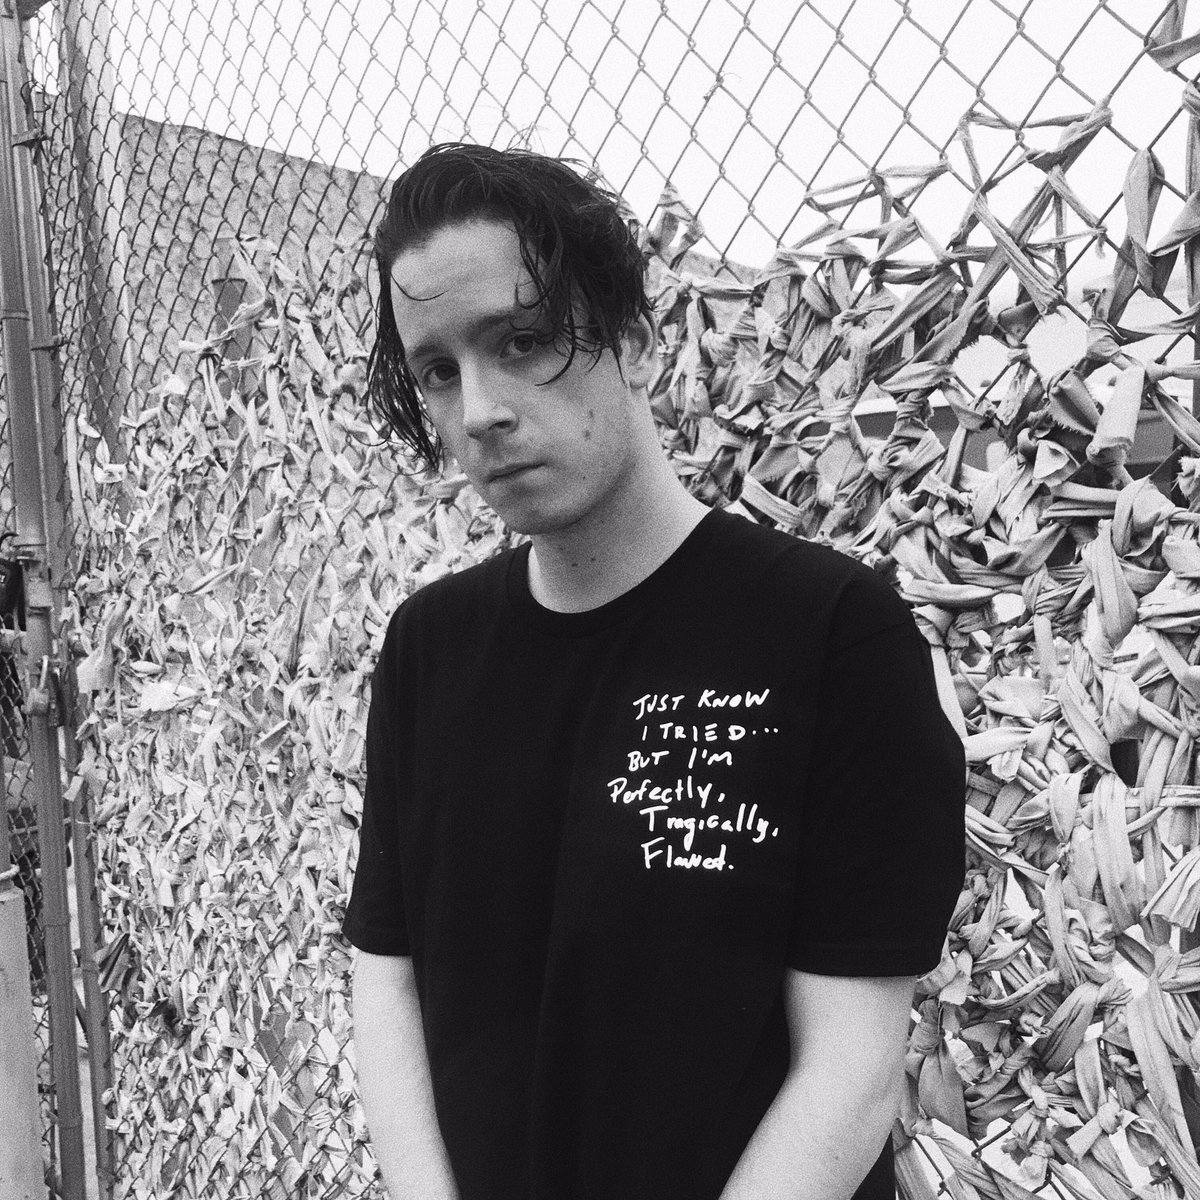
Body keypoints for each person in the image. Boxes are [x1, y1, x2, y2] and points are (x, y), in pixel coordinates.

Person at [341, 142, 966, 1200]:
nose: (479, 408)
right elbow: (385, 975)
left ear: (630, 336)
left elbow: (851, 1074)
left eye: (523, 340)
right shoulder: (427, 649)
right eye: (438, 371)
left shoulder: (831, 635)